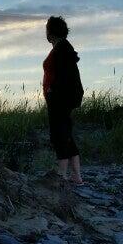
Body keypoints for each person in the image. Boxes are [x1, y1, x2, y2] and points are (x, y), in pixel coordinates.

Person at [42, 16, 85, 185]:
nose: (45, 32)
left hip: (60, 99)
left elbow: (66, 75)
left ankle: (62, 175)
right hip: (61, 98)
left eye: (47, 29)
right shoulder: (62, 48)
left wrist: (53, 90)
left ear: (51, 32)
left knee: (59, 134)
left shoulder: (62, 49)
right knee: (65, 134)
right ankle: (76, 176)